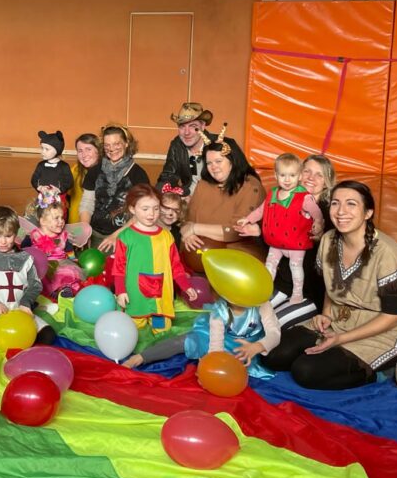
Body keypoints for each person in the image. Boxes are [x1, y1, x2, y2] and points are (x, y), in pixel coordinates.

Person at [264, 181, 397, 389]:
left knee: (305, 371)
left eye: (351, 204)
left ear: (368, 213)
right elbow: (331, 286)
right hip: (337, 319)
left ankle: (380, 371)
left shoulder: (388, 254)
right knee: (272, 355)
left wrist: (341, 339)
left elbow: (392, 317)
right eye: (335, 203)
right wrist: (326, 314)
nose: (341, 211)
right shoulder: (328, 240)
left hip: (379, 330)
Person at [241, 155, 337, 328]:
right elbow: (276, 244)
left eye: (319, 175)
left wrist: (320, 239)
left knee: (268, 324)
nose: (310, 177)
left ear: (326, 182)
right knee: (245, 313)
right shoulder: (282, 200)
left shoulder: (329, 213)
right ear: (299, 174)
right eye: (307, 171)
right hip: (282, 282)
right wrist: (258, 231)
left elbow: (333, 261)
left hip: (309, 291)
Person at [112, 184, 198, 336]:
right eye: (145, 209)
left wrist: (186, 286)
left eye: (156, 208)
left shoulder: (166, 236)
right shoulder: (125, 237)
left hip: (160, 299)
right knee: (131, 330)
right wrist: (120, 291)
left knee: (162, 331)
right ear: (133, 209)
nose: (151, 214)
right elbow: (119, 268)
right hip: (135, 297)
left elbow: (175, 266)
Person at [0, 206, 56, 345]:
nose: (3, 242)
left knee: (48, 336)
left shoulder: (26, 259)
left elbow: (35, 285)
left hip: (20, 312)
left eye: (8, 236)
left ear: (15, 233)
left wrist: (26, 303)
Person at [180, 129, 267, 273]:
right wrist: (187, 233)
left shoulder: (251, 187)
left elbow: (236, 230)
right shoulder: (204, 184)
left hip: (237, 260)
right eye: (209, 163)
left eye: (219, 161)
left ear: (232, 161)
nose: (213, 167)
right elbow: (188, 219)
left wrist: (195, 228)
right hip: (199, 256)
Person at [130, 298, 281, 374]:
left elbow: (274, 333)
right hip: (215, 338)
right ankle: (141, 357)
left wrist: (258, 346)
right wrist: (212, 362)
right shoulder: (220, 306)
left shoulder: (262, 304)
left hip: (245, 347)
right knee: (184, 341)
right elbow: (216, 343)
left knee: (235, 370)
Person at [157, 103, 244, 196]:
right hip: (187, 199)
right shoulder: (177, 145)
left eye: (193, 126)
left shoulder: (224, 144)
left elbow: (242, 178)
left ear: (203, 126)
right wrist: (168, 191)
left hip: (219, 198)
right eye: (182, 126)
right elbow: (168, 175)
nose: (186, 132)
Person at [92, 125, 151, 251]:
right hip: (96, 235)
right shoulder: (96, 170)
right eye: (107, 145)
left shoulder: (138, 174)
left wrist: (116, 235)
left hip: (126, 235)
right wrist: (85, 230)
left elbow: (143, 212)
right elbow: (87, 203)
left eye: (116, 144)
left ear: (126, 143)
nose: (111, 149)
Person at [31, 130, 73, 205]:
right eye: (42, 148)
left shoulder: (64, 166)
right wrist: (40, 187)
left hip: (59, 199)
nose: (43, 152)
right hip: (43, 198)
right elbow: (34, 179)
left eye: (47, 149)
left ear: (57, 150)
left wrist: (59, 189)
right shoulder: (40, 165)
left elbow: (69, 182)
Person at [70, 133, 102, 224]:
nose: (84, 155)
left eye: (88, 149)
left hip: (96, 228)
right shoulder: (75, 170)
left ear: (98, 151)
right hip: (74, 226)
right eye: (80, 151)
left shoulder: (106, 173)